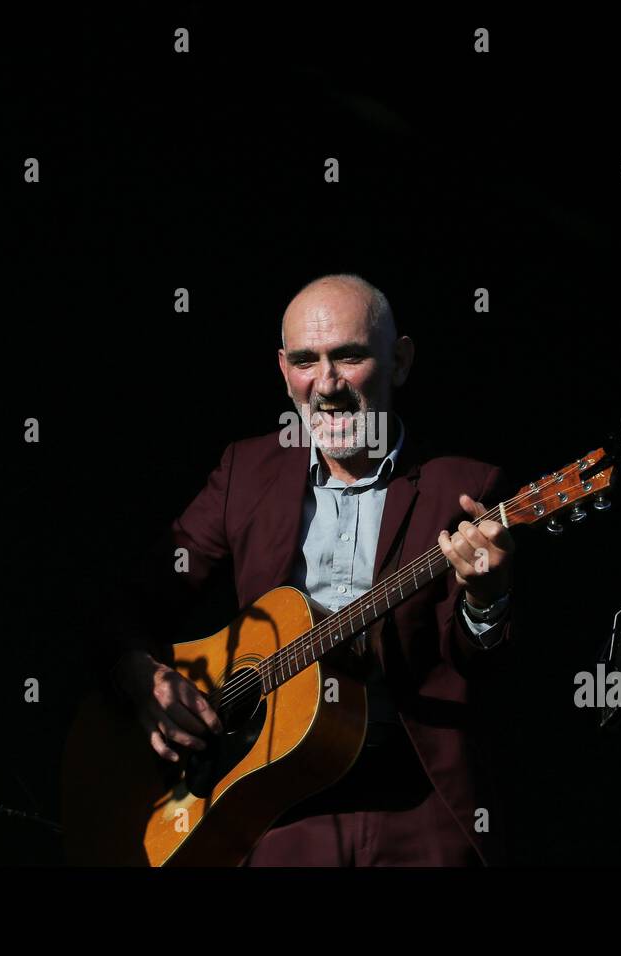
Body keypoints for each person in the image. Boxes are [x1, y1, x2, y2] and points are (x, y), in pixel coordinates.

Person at [111, 273, 517, 865]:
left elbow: (494, 674)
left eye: (347, 356)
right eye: (305, 361)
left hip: (416, 804)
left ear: (400, 360)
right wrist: (140, 676)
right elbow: (128, 599)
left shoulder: (465, 487)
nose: (325, 385)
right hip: (273, 806)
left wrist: (488, 600)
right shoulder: (247, 472)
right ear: (283, 369)